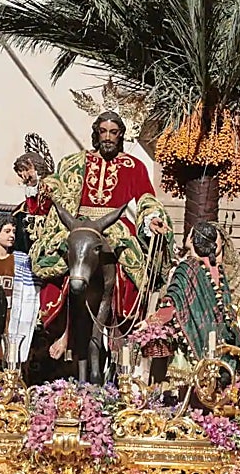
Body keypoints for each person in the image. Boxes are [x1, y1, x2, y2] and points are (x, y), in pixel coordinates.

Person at [31, 111, 173, 360]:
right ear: (97, 133)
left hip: (113, 224)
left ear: (121, 136)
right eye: (103, 131)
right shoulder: (74, 162)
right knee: (57, 260)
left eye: (113, 132)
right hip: (77, 223)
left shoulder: (134, 166)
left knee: (132, 266)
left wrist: (152, 219)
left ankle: (124, 324)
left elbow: (146, 198)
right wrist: (49, 186)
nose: (108, 137)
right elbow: (58, 186)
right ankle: (62, 329)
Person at [135, 222, 239, 365]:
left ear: (192, 240)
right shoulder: (216, 268)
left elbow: (172, 305)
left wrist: (149, 323)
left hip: (193, 340)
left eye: (190, 233)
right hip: (218, 341)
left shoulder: (187, 269)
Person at [0, 212, 38, 366]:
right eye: (7, 231)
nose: (12, 235)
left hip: (12, 315)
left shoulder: (22, 260)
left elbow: (33, 287)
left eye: (13, 231)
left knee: (11, 357)